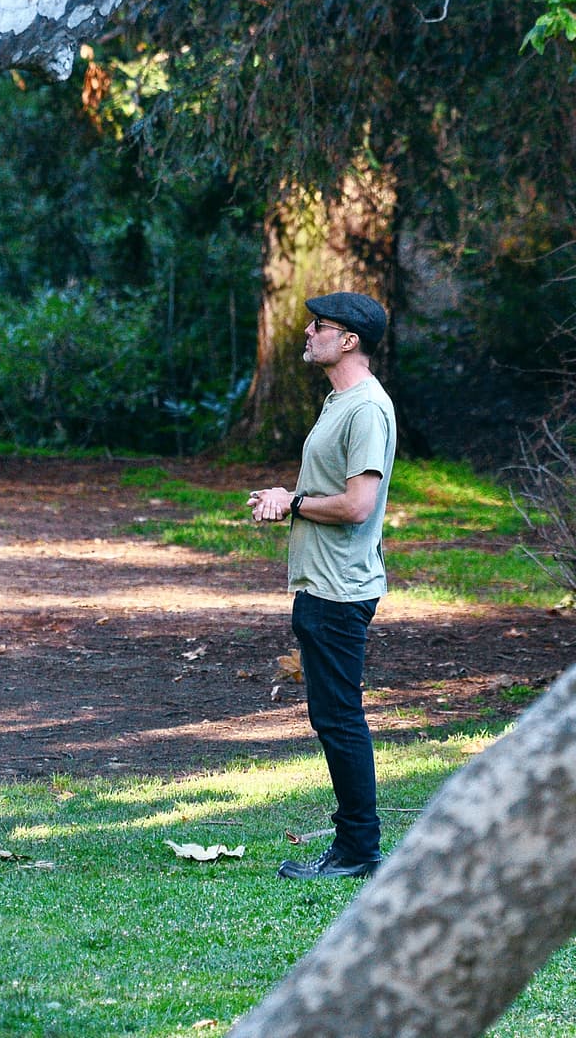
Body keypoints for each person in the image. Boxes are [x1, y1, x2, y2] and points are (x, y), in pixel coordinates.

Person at [247, 291, 396, 880]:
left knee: (340, 719)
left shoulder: (365, 408)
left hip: (340, 590)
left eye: (320, 326)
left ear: (349, 340)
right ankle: (355, 845)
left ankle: (358, 850)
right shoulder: (339, 402)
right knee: (334, 717)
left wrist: (294, 502)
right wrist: (289, 500)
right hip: (323, 585)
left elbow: (359, 505)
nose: (307, 332)